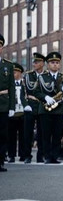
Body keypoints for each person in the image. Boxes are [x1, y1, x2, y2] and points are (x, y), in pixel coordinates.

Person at [34, 52, 63, 164]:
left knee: (57, 134)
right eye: (52, 63)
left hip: (59, 109)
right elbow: (36, 92)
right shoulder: (42, 77)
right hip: (45, 109)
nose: (55, 65)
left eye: (57, 63)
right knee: (46, 134)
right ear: (47, 65)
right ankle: (47, 156)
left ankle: (54, 156)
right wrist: (45, 97)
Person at [23, 52, 45, 163]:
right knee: (28, 132)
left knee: (42, 132)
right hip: (31, 105)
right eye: (34, 62)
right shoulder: (28, 75)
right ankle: (27, 155)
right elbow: (24, 91)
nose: (34, 64)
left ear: (42, 63)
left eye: (37, 62)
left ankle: (41, 155)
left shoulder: (46, 75)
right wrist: (25, 104)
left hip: (42, 106)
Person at [0, 34, 16, 172]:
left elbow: (11, 87)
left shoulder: (8, 65)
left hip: (3, 103)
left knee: (2, 133)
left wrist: (12, 106)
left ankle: (0, 161)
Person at [8, 62, 26, 163]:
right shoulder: (9, 84)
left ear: (20, 73)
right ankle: (11, 154)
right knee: (11, 135)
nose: (14, 74)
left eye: (15, 72)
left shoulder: (24, 83)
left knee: (23, 134)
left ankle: (23, 154)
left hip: (23, 112)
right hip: (13, 111)